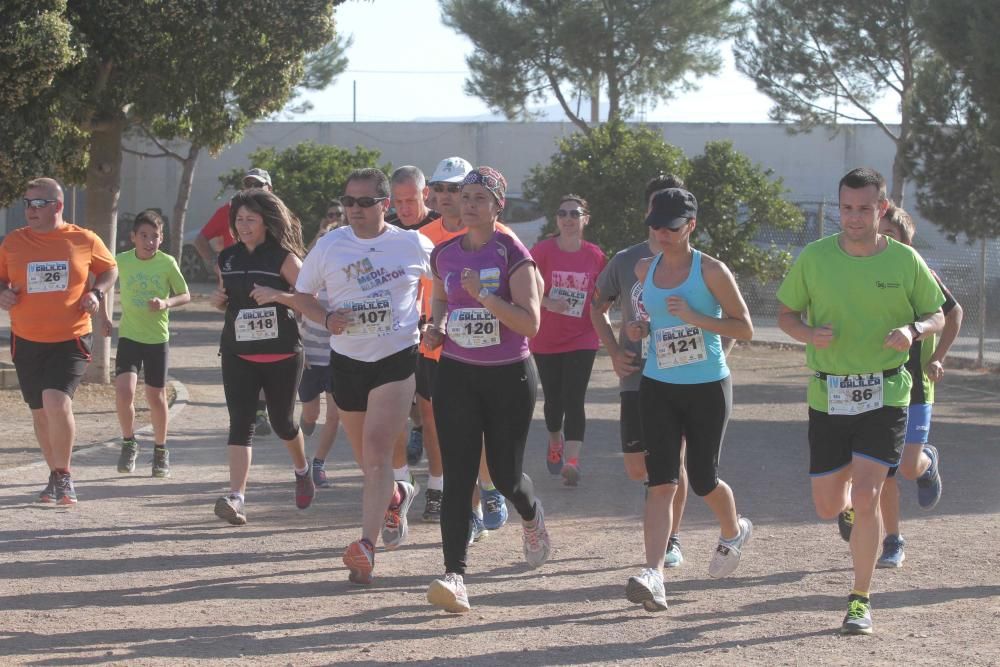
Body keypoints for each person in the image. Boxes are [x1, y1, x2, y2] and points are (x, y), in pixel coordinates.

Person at [777, 167, 944, 635]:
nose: (854, 218)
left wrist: (912, 330)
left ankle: (859, 599)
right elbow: (786, 313)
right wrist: (808, 333)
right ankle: (847, 508)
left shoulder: (904, 261)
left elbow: (935, 313)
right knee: (829, 505)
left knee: (871, 494)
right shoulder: (814, 257)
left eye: (865, 209)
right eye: (847, 208)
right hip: (828, 391)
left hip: (887, 391)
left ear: (882, 209)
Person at [292, 168, 434, 586]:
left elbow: (443, 283)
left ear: (384, 205)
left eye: (364, 202)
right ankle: (397, 495)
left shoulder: (411, 243)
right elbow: (302, 295)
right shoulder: (331, 245)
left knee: (375, 454)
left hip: (397, 358)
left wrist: (433, 322)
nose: (354, 209)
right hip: (348, 362)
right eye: (349, 201)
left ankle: (366, 548)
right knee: (366, 461)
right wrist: (326, 317)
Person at [423, 166, 551, 613]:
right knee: (458, 478)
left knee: (504, 476)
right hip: (457, 374)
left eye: (481, 197)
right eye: (466, 196)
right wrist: (436, 327)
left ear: (499, 206)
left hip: (508, 377)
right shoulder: (444, 254)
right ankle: (454, 575)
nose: (471, 203)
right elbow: (441, 298)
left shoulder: (513, 253)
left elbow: (530, 323)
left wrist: (485, 298)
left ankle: (531, 515)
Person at [623, 188, 754, 613]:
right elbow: (645, 318)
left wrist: (696, 318)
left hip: (707, 388)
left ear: (691, 227)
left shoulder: (712, 271)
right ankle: (653, 574)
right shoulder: (645, 268)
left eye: (672, 227)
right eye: (656, 226)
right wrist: (639, 330)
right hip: (658, 385)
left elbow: (745, 328)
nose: (662, 233)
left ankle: (733, 531)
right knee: (660, 482)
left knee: (702, 479)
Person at [590, 174, 691, 567]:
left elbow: (724, 317)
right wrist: (615, 351)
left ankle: (670, 539)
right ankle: (660, 515)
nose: (662, 221)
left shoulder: (697, 263)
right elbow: (596, 306)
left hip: (682, 374)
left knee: (671, 464)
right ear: (647, 212)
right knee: (638, 468)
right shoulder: (625, 260)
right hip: (637, 374)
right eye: (656, 209)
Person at [0, 177, 117, 505]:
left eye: (38, 204)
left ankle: (64, 476)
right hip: (26, 339)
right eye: (26, 203)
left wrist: (96, 292)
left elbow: (109, 270)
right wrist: (2, 293)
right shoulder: (13, 242)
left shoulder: (83, 239)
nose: (30, 210)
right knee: (39, 412)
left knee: (56, 401)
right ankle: (54, 475)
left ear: (58, 206)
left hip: (71, 337)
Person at [208, 189, 315, 526]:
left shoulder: (284, 258)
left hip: (282, 353)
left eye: (250, 219)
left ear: (266, 222)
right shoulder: (227, 258)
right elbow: (230, 299)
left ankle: (302, 470)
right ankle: (237, 498)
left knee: (283, 422)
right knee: (241, 422)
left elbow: (309, 301)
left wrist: (277, 295)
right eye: (238, 219)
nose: (243, 225)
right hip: (238, 352)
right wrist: (219, 300)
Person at [875, 203, 960, 568]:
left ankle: (927, 464)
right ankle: (892, 539)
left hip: (915, 384)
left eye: (889, 234)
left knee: (907, 467)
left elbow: (953, 312)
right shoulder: (861, 269)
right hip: (874, 381)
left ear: (906, 240)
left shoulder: (919, 270)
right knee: (885, 468)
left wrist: (937, 356)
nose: (881, 239)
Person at [101, 209, 190, 478]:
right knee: (124, 392)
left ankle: (160, 450)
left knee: (156, 397)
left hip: (156, 339)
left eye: (155, 236)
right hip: (129, 336)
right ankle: (129, 443)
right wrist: (105, 317)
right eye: (144, 236)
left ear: (161, 239)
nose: (149, 241)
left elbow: (184, 294)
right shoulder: (121, 261)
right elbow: (105, 287)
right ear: (133, 237)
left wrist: (166, 303)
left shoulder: (167, 263)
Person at [530, 194, 606, 486]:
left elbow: (604, 294)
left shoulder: (596, 256)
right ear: (556, 219)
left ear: (585, 219)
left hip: (582, 336)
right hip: (547, 336)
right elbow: (526, 287)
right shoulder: (542, 251)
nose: (568, 218)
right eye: (563, 213)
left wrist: (602, 310)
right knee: (554, 400)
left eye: (575, 213)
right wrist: (548, 302)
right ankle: (554, 440)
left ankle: (572, 461)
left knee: (574, 398)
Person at [196, 168, 274, 436]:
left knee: (267, 344)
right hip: (237, 286)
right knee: (245, 343)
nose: (252, 189)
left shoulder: (277, 215)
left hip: (269, 285)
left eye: (258, 185)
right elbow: (201, 239)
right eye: (248, 185)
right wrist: (215, 267)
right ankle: (251, 409)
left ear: (269, 189)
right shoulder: (229, 210)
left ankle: (261, 409)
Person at [386, 166, 441, 488]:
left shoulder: (439, 226)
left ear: (425, 194)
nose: (404, 208)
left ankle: (438, 482)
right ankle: (401, 483)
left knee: (432, 408)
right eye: (398, 201)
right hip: (398, 332)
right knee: (400, 406)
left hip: (433, 330)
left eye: (411, 200)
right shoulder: (388, 230)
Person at [300, 208, 344, 488]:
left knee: (335, 414)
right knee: (311, 413)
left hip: (337, 356)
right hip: (309, 356)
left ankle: (318, 464)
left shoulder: (347, 283)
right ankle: (304, 429)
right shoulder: (308, 284)